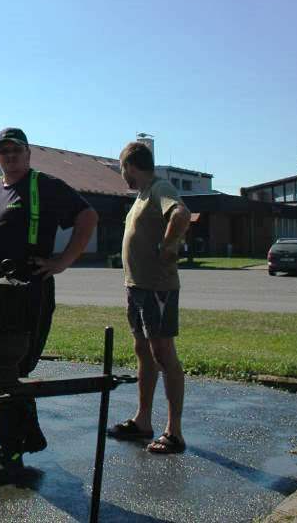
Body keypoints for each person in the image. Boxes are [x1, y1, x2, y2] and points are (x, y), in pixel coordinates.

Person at [0, 127, 98, 484]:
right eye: (3, 151)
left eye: (16, 150)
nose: (10, 156)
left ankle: (10, 453)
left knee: (8, 367)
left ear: (28, 154)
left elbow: (87, 217)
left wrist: (62, 261)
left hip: (21, 295)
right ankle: (27, 436)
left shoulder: (45, 186)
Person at [108, 141, 191, 455]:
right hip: (137, 288)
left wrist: (168, 246)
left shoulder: (160, 187)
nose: (123, 177)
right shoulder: (142, 195)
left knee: (163, 354)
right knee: (142, 350)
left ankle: (174, 432)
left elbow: (181, 213)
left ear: (130, 166)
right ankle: (143, 421)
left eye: (122, 170)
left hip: (157, 288)